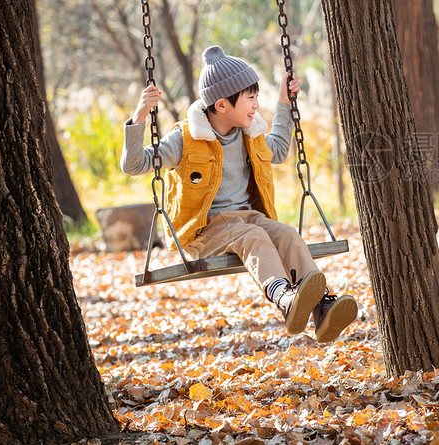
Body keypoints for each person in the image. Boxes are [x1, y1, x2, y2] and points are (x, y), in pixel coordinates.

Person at [121, 45, 357, 343]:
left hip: (247, 218)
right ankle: (284, 297)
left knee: (286, 234)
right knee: (253, 238)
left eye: (257, 97)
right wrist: (140, 116)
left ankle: (322, 307)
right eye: (250, 98)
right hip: (204, 230)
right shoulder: (186, 138)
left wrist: (284, 102)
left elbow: (280, 150)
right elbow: (135, 164)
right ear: (222, 105)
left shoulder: (250, 132)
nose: (256, 105)